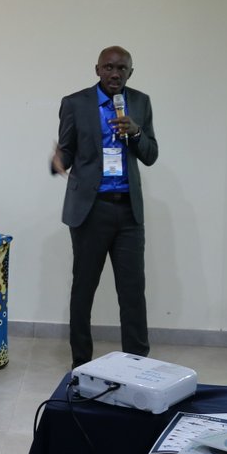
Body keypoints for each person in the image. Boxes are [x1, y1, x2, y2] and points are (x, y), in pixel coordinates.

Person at [52, 45, 159, 369]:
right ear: (97, 69)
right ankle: (81, 362)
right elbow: (67, 150)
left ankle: (137, 364)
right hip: (91, 210)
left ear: (130, 72)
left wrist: (136, 131)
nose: (115, 74)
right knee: (84, 289)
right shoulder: (74, 103)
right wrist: (57, 160)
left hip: (128, 211)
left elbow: (151, 154)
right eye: (109, 68)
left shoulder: (140, 102)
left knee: (132, 292)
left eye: (122, 69)